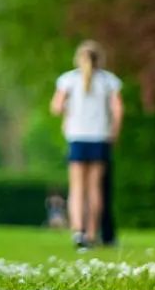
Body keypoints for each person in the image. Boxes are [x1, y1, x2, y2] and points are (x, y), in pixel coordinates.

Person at [52, 40, 123, 250]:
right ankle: (92, 232)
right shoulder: (109, 81)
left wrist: (68, 112)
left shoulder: (68, 80)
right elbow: (118, 110)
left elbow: (56, 106)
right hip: (99, 137)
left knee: (77, 188)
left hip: (77, 136)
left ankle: (78, 231)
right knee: (95, 189)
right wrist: (114, 132)